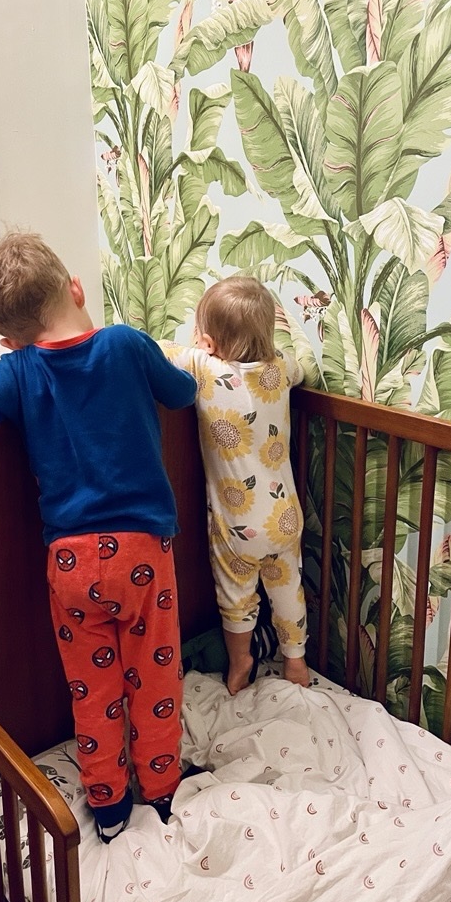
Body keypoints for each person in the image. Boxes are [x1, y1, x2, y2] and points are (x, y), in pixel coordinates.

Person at [0, 232, 197, 843]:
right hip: (141, 553)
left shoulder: (18, 369)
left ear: (7, 337)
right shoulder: (126, 343)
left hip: (71, 563)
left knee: (95, 685)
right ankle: (160, 789)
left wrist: (14, 361)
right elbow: (183, 392)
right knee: (154, 674)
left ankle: (107, 806)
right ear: (76, 287)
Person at [161, 277, 310, 695]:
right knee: (287, 589)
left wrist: (195, 348)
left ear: (208, 341)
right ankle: (295, 662)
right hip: (284, 518)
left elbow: (154, 351)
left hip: (238, 526)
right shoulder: (278, 370)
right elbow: (302, 364)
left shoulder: (204, 368)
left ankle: (241, 660)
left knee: (237, 596)